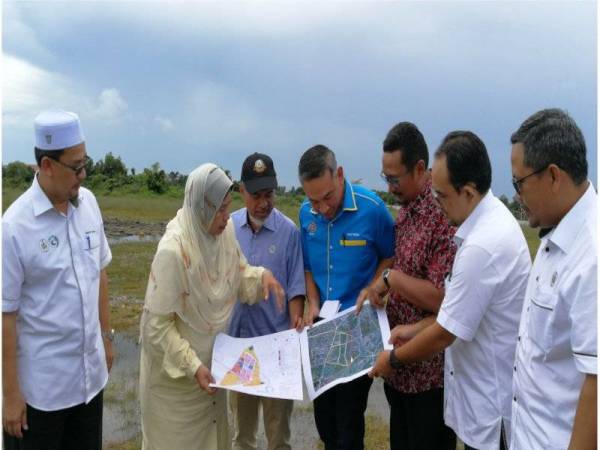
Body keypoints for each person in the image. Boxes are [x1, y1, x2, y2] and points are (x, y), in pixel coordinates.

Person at [369, 130, 531, 450]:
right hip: (481, 402)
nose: (437, 204)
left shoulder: (482, 246)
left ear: (468, 192)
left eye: (441, 196)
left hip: (491, 409)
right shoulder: (485, 225)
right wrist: (414, 330)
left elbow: (445, 332)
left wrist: (394, 359)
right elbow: (457, 310)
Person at [138, 163, 285, 450]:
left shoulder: (224, 232)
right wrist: (192, 366)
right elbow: (155, 327)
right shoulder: (174, 251)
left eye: (228, 206)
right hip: (176, 389)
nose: (226, 217)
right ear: (200, 207)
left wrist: (261, 277)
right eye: (218, 209)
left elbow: (237, 273)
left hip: (213, 374)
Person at [2, 109, 114, 449]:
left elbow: (101, 270)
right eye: (76, 166)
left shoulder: (89, 204)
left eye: (85, 163)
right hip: (43, 395)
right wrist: (10, 395)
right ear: (46, 165)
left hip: (88, 383)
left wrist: (107, 338)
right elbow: (6, 314)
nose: (83, 174)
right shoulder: (14, 228)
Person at [356, 122, 457, 450]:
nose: (389, 186)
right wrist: (382, 293)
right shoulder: (407, 211)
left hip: (430, 378)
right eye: (385, 177)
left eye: (395, 178)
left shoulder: (442, 217)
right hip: (399, 371)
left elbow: (444, 300)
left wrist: (393, 279)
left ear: (419, 169)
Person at [509, 109, 597, 450]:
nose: (516, 193)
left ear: (554, 176)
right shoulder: (555, 233)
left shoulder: (591, 256)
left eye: (519, 182)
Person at [298, 144, 395, 450]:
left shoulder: (373, 209)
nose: (323, 207)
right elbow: (309, 266)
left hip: (358, 325)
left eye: (327, 197)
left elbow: (391, 257)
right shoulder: (305, 214)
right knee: (324, 419)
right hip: (322, 330)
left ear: (339, 175)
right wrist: (312, 302)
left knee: (349, 422)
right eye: (314, 200)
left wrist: (372, 286)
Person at [228, 153, 306, 450]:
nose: (264, 203)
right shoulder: (229, 229)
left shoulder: (289, 233)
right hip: (240, 349)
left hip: (276, 350)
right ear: (242, 192)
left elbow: (296, 287)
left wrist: (293, 331)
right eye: (256, 195)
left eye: (269, 194)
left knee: (278, 436)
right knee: (242, 435)